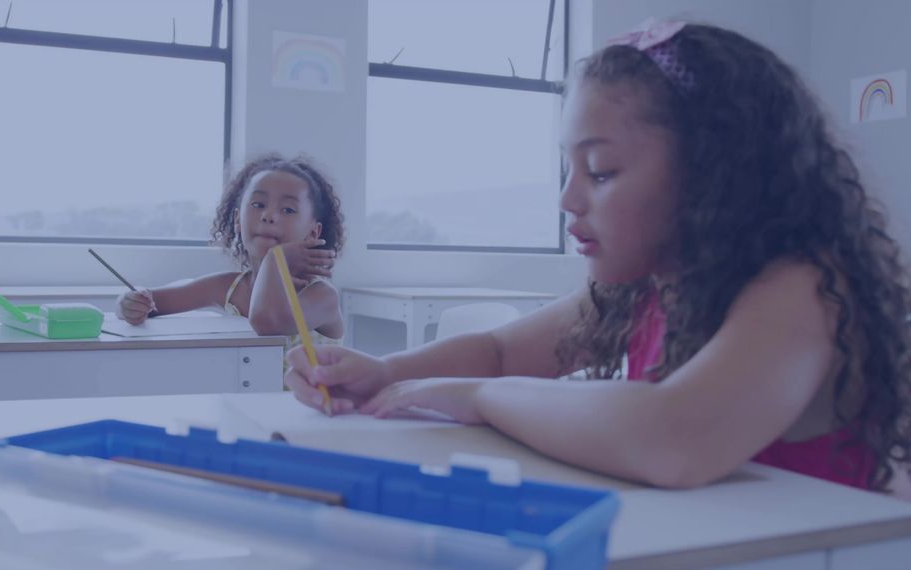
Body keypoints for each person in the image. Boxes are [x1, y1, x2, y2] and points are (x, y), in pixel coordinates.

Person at [285, 21, 911, 494]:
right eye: (568, 168)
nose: (567, 199)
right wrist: (385, 372)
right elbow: (501, 352)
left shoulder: (805, 288)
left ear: (715, 177)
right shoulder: (642, 288)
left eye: (602, 171)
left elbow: (675, 438)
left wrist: (479, 397)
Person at [118, 154, 345, 346]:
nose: (268, 215)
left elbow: (268, 323)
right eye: (258, 205)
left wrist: (275, 260)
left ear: (313, 233)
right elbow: (149, 300)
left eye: (288, 210)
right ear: (237, 219)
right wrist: (130, 304)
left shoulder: (322, 296)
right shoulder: (229, 288)